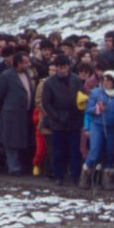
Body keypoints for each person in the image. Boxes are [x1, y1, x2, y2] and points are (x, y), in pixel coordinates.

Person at [42, 55, 84, 185]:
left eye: (65, 67)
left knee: (75, 151)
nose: (63, 70)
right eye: (60, 67)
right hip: (58, 122)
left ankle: (76, 176)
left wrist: (77, 114)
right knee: (58, 151)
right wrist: (57, 116)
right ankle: (59, 176)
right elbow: (46, 103)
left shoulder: (76, 80)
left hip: (74, 121)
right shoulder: (49, 82)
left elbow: (81, 98)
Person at [0, 52, 33, 176]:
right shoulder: (6, 76)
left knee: (21, 140)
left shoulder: (26, 74)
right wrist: (9, 107)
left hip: (25, 112)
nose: (28, 64)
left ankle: (22, 165)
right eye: (25, 62)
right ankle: (13, 167)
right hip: (11, 113)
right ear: (18, 63)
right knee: (11, 142)